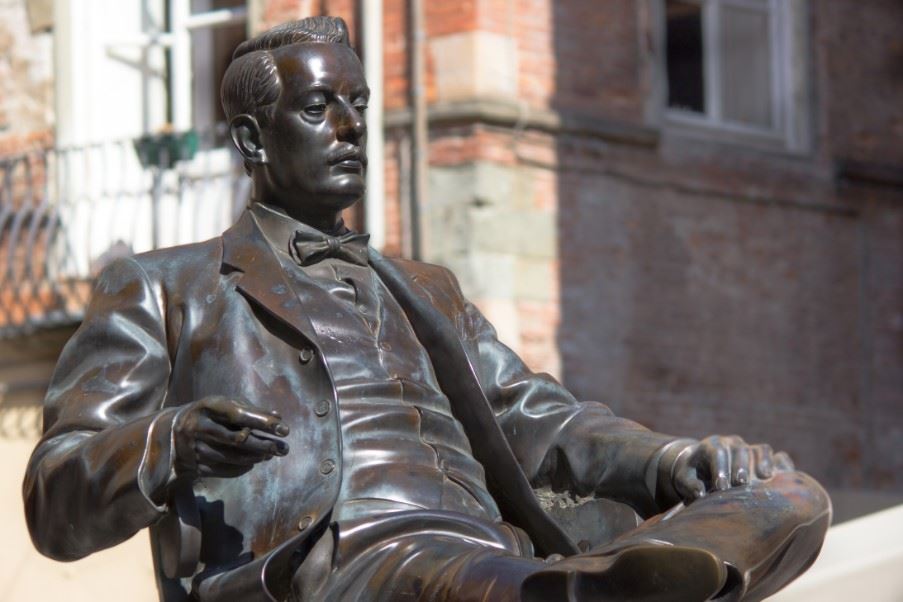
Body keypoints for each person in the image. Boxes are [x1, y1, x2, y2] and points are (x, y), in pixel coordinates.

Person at [23, 16, 830, 602]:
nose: (348, 130)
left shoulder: (427, 287)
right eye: (317, 109)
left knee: (783, 498)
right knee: (473, 579)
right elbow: (55, 499)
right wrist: (170, 440)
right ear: (251, 140)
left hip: (496, 548)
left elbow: (539, 417)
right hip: (348, 560)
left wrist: (669, 460)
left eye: (359, 105)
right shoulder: (165, 287)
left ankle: (592, 591)